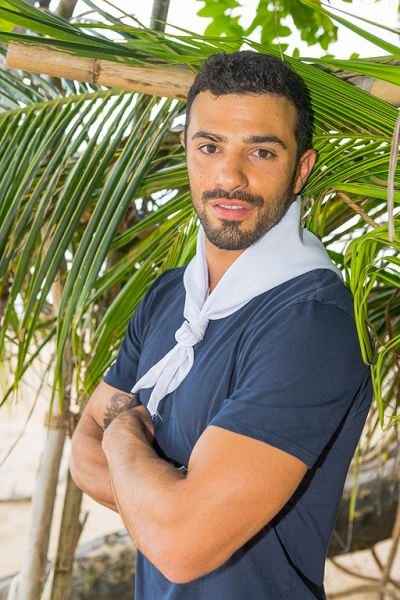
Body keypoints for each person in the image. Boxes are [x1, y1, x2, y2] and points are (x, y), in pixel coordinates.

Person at [70, 51, 372, 599]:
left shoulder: (313, 322)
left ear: (302, 169)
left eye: (262, 151)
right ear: (187, 152)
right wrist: (161, 500)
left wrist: (122, 431)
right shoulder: (169, 295)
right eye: (210, 147)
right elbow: (80, 455)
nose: (230, 177)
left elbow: (180, 543)